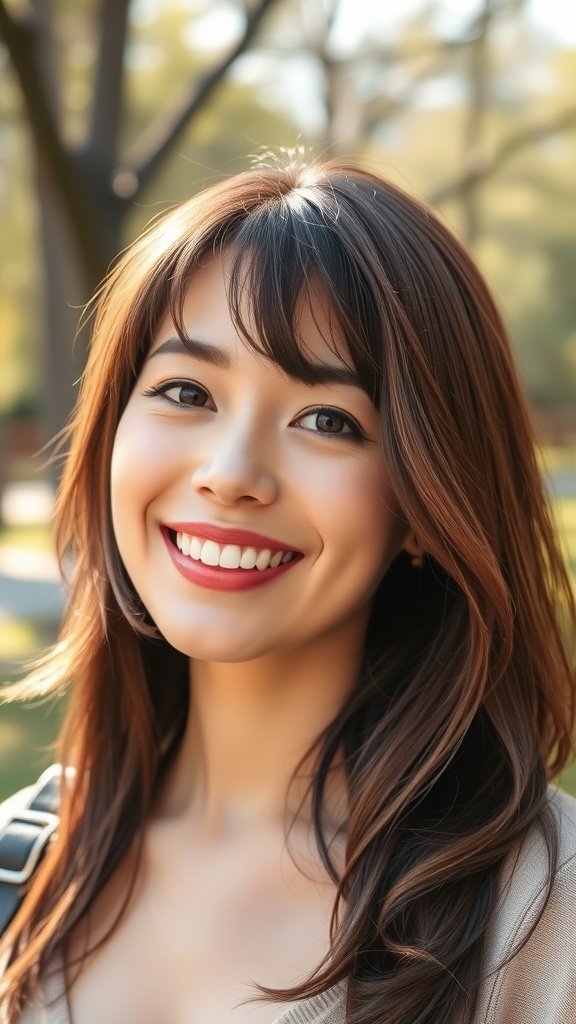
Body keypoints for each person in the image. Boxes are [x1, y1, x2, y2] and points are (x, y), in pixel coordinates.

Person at [0, 155, 575, 1024]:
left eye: (328, 420)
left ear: (428, 499)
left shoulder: (546, 924)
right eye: (186, 391)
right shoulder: (19, 867)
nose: (231, 475)